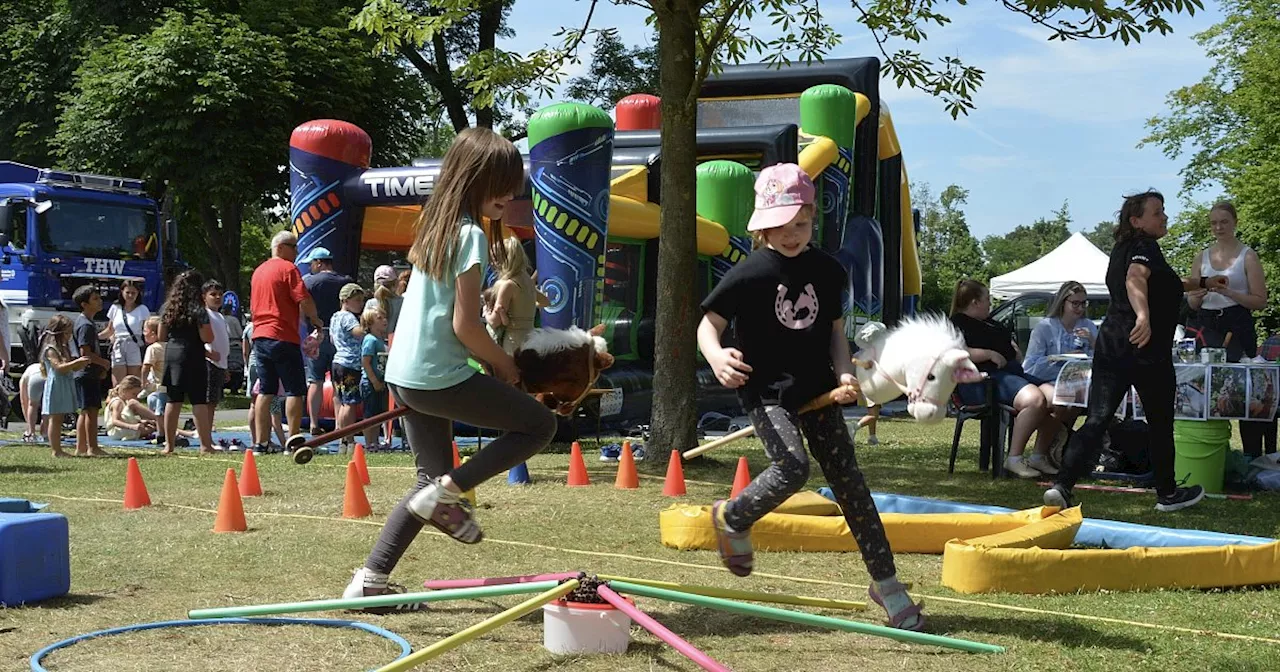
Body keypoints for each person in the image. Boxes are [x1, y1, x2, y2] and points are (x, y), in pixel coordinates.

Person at [696, 163, 924, 631]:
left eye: (801, 224)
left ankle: (886, 584)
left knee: (852, 486)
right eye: (781, 226)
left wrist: (844, 373)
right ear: (762, 226)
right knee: (792, 467)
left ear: (812, 219)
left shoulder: (828, 270)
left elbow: (836, 333)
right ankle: (734, 518)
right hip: (767, 393)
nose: (792, 234)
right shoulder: (747, 274)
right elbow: (707, 326)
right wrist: (717, 357)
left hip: (818, 390)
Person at [341, 127, 556, 609]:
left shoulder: (435, 227)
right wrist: (502, 363)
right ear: (473, 177)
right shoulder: (471, 235)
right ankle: (449, 494)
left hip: (406, 371)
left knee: (427, 481)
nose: (510, 193)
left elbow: (445, 311)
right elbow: (465, 326)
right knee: (539, 425)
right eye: (501, 182)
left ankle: (370, 580)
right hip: (436, 374)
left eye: (513, 182)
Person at [1046, 190, 1228, 513]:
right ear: (1137, 221)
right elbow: (1136, 278)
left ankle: (1062, 485)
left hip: (1111, 344)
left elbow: (1164, 282)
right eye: (1157, 212)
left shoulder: (1122, 249)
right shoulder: (1146, 248)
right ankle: (1168, 494)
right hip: (1145, 349)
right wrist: (1143, 316)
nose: (1164, 217)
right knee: (1160, 423)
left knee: (1098, 417)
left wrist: (1204, 282)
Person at [950, 279, 1062, 478]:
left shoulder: (991, 323)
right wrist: (987, 354)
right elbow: (954, 353)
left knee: (1058, 398)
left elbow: (1010, 349)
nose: (990, 304)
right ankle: (1014, 458)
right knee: (1034, 399)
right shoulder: (956, 324)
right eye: (987, 300)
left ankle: (1038, 456)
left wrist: (1014, 352)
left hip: (1011, 374)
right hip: (981, 381)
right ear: (975, 302)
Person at [1187, 201, 1271, 456]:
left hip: (1237, 323)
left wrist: (1229, 291)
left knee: (1245, 389)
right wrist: (1200, 292)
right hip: (1205, 325)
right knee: (1204, 388)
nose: (1218, 227)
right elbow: (1191, 301)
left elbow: (1260, 300)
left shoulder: (1248, 255)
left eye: (1224, 221)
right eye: (1214, 223)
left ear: (1234, 222)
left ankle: (1252, 456)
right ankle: (1209, 451)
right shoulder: (1201, 256)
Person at [249, 231, 323, 457]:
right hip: (282, 335)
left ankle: (261, 443)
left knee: (266, 390)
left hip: (259, 335)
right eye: (294, 247)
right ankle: (293, 441)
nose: (297, 252)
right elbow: (304, 298)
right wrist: (316, 319)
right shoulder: (288, 269)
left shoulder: (258, 271)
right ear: (280, 247)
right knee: (294, 390)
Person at [1023, 280, 1098, 436]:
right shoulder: (1045, 327)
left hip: (1080, 381)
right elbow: (1030, 365)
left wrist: (1092, 341)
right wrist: (1059, 358)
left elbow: (1102, 359)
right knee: (1064, 400)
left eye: (1084, 303)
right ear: (1063, 302)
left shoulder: (1088, 326)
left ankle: (1062, 440)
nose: (1080, 308)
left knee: (1080, 397)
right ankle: (1055, 443)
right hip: (1048, 380)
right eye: (1075, 303)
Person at [158, 270, 216, 455]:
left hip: (172, 353)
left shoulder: (167, 307)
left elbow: (161, 336)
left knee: (173, 400)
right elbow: (207, 337)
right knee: (198, 401)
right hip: (193, 354)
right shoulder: (198, 310)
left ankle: (169, 445)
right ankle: (205, 446)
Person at [301, 246, 352, 432]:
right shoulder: (345, 282)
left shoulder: (308, 283)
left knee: (315, 380)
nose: (310, 268)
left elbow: (302, 308)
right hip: (340, 338)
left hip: (316, 334)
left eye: (311, 264)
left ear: (319, 262)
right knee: (339, 381)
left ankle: (314, 423)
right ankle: (339, 425)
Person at [484, 236, 547, 355]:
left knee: (509, 372)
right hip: (531, 337)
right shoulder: (527, 281)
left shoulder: (508, 285)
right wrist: (527, 307)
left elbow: (495, 321)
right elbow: (546, 302)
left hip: (513, 341)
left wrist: (486, 313)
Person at [38, 315, 88, 458]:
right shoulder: (51, 349)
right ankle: (56, 450)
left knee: (60, 418)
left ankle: (58, 448)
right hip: (56, 385)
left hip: (64, 383)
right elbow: (59, 367)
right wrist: (75, 363)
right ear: (57, 333)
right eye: (66, 333)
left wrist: (79, 364)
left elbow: (69, 367)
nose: (69, 336)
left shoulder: (64, 348)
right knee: (55, 418)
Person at [72, 285, 111, 457]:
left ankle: (81, 447)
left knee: (86, 410)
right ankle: (93, 447)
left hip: (87, 373)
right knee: (92, 411)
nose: (99, 301)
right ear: (84, 304)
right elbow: (85, 353)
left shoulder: (88, 323)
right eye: (95, 298)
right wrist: (103, 363)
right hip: (86, 373)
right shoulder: (85, 325)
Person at [330, 282, 367, 456]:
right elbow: (358, 332)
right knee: (349, 403)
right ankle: (347, 437)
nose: (361, 304)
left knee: (342, 400)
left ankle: (344, 437)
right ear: (345, 300)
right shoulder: (348, 317)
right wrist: (368, 324)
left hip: (337, 361)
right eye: (357, 300)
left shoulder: (335, 317)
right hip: (350, 364)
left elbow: (332, 339)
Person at [105, 279, 150, 385]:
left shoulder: (143, 309)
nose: (130, 295)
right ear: (122, 292)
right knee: (118, 383)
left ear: (138, 294)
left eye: (133, 293)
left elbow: (147, 330)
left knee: (132, 382)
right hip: (118, 345)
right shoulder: (115, 308)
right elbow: (109, 330)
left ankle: (131, 401)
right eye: (127, 292)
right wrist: (95, 336)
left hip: (134, 345)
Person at [359, 306, 390, 450]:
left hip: (381, 382)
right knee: (370, 414)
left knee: (379, 414)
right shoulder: (370, 340)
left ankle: (376, 441)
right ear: (370, 323)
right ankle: (369, 442)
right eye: (379, 318)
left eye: (385, 317)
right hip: (370, 383)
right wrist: (374, 381)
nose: (384, 320)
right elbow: (366, 362)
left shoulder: (381, 340)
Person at [202, 280, 229, 432]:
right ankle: (205, 429)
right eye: (213, 294)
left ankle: (208, 426)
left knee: (213, 400)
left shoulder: (220, 316)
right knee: (208, 400)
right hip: (209, 362)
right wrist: (208, 353)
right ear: (204, 297)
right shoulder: (204, 314)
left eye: (220, 294)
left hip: (220, 364)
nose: (217, 297)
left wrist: (225, 367)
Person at [105, 375, 160, 441]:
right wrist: (132, 427)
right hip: (116, 431)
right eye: (134, 394)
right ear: (124, 390)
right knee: (133, 403)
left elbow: (124, 418)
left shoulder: (124, 401)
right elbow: (115, 421)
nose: (136, 397)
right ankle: (160, 419)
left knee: (152, 427)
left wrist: (140, 421)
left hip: (121, 430)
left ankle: (163, 425)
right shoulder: (117, 402)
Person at [365, 265, 404, 334]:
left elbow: (365, 326)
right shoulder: (403, 302)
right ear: (396, 283)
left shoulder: (370, 303)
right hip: (397, 342)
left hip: (376, 342)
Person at [141, 317, 167, 415]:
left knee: (159, 412)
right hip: (171, 386)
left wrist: (143, 382)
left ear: (153, 334)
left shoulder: (153, 348)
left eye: (145, 330)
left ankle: (161, 430)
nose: (143, 333)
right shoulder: (169, 346)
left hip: (159, 387)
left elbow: (146, 366)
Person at [221, 293, 245, 395]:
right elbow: (240, 333)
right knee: (236, 366)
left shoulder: (221, 318)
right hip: (234, 344)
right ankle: (234, 387)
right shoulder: (234, 320)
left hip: (224, 344)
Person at [20, 362, 48, 443]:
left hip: (35, 378)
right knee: (47, 405)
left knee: (32, 404)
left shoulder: (27, 372)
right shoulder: (40, 366)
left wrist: (28, 424)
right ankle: (45, 433)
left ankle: (31, 433)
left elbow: (23, 401)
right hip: (47, 376)